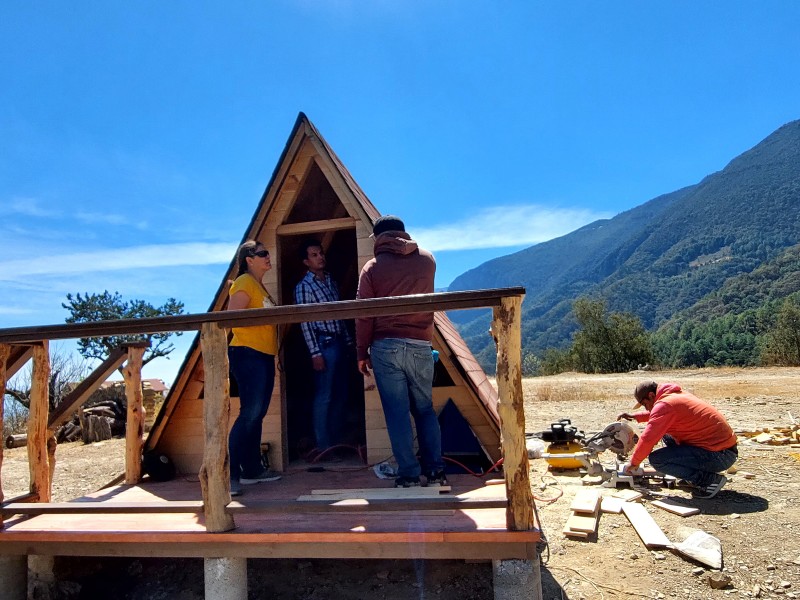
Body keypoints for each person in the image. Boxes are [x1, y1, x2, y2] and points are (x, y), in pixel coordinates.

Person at [355, 215, 446, 488]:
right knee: (425, 410)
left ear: (378, 238)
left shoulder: (372, 268)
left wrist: (361, 352)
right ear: (404, 234)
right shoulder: (428, 259)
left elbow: (363, 315)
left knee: (397, 413)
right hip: (420, 344)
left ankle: (408, 474)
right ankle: (435, 470)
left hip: (385, 346)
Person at [227, 240, 282, 497]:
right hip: (247, 354)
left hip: (263, 355)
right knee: (249, 413)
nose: (267, 256)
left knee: (257, 414)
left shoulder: (259, 286)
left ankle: (252, 470)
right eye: (262, 253)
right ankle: (231, 477)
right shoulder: (243, 283)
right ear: (249, 259)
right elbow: (232, 318)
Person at [618, 381, 737, 498]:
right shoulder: (675, 396)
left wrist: (633, 463)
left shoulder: (666, 405)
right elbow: (659, 413)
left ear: (651, 395)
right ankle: (692, 475)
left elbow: (648, 439)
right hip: (723, 450)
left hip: (720, 456)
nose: (647, 408)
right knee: (667, 435)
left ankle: (709, 480)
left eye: (645, 404)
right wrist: (637, 417)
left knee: (658, 460)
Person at [294, 239, 353, 457]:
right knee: (324, 395)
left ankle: (337, 442)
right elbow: (306, 322)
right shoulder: (304, 287)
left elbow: (339, 315)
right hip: (323, 344)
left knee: (340, 394)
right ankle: (324, 445)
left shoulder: (330, 281)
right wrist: (315, 353)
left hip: (338, 341)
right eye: (314, 255)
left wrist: (348, 342)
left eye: (321, 253)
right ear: (306, 261)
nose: (320, 257)